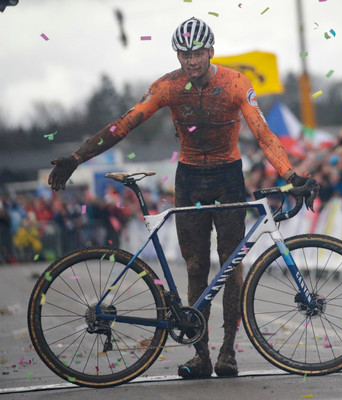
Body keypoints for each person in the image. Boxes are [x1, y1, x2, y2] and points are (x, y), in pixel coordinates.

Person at [48, 17, 318, 379]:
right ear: (178, 54)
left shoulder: (235, 83)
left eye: (197, 53)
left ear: (210, 51)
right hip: (189, 178)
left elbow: (263, 133)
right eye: (184, 53)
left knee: (230, 265)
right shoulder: (169, 86)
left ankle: (227, 353)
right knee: (195, 268)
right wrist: (78, 157)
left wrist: (290, 174)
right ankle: (201, 355)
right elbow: (124, 124)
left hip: (227, 177)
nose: (191, 60)